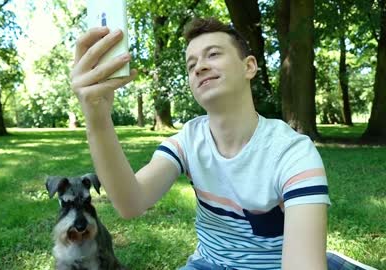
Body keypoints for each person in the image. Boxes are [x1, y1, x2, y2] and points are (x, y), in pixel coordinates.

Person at [71, 17, 375, 270]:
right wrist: (98, 119)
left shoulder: (292, 153)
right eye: (191, 65)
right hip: (208, 263)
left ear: (249, 67)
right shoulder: (188, 141)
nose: (199, 67)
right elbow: (131, 202)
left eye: (213, 54)